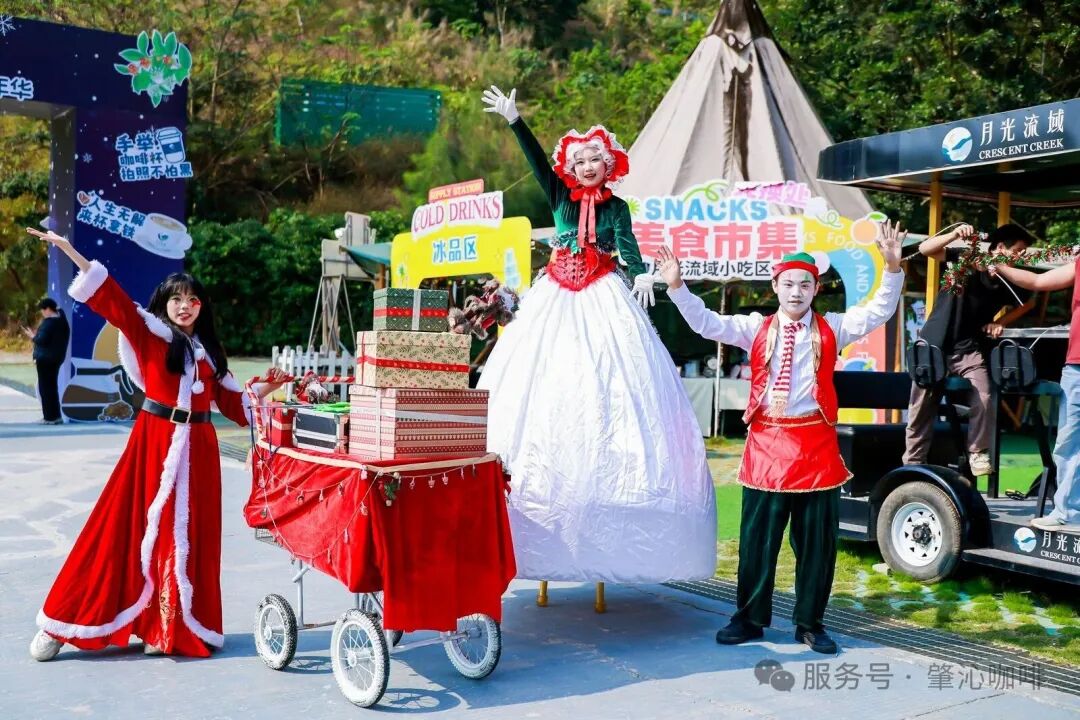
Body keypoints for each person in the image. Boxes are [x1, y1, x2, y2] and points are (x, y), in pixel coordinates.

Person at [477, 85, 716, 586]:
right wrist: (516, 120)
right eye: (580, 160)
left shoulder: (617, 208)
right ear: (571, 166)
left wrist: (643, 276)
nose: (587, 167)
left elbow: (630, 252)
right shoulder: (559, 195)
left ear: (609, 165)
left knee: (611, 388)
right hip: (556, 294)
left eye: (595, 160)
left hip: (603, 293)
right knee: (542, 384)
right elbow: (536, 161)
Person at [26, 227, 286, 661]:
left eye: (193, 299)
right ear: (164, 304)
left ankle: (166, 627)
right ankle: (63, 622)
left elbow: (233, 405)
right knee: (118, 528)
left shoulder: (210, 353)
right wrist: (69, 249)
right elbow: (110, 297)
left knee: (189, 537)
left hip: (199, 450)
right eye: (177, 299)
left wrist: (267, 389)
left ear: (202, 307)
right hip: (154, 442)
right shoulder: (148, 333)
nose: (185, 306)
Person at [656, 222, 905, 654]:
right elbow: (706, 323)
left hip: (815, 447)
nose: (796, 292)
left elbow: (879, 310)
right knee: (757, 541)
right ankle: (750, 618)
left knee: (817, 544)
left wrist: (893, 269)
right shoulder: (754, 326)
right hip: (767, 444)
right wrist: (677, 287)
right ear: (775, 287)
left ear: (816, 289)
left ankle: (810, 623)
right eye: (788, 284)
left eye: (805, 284)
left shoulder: (834, 326)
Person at [903, 223, 1035, 475]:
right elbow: (926, 248)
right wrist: (954, 234)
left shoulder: (1010, 279)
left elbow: (1028, 303)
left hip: (968, 349)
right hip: (933, 346)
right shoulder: (966, 259)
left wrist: (1000, 322)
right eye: (1017, 250)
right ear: (999, 247)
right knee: (920, 409)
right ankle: (912, 464)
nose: (1020, 256)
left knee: (984, 395)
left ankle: (977, 453)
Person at [990, 255, 1079, 530]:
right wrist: (1000, 266)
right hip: (1076, 368)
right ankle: (1067, 512)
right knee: (1068, 443)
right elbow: (1038, 281)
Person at [21, 297, 70, 424]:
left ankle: (49, 418)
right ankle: (56, 416)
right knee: (52, 388)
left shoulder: (49, 323)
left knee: (45, 389)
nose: (42, 313)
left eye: (43, 310)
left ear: (48, 309)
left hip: (45, 359)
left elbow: (42, 340)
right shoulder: (62, 321)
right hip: (56, 358)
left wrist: (33, 336)